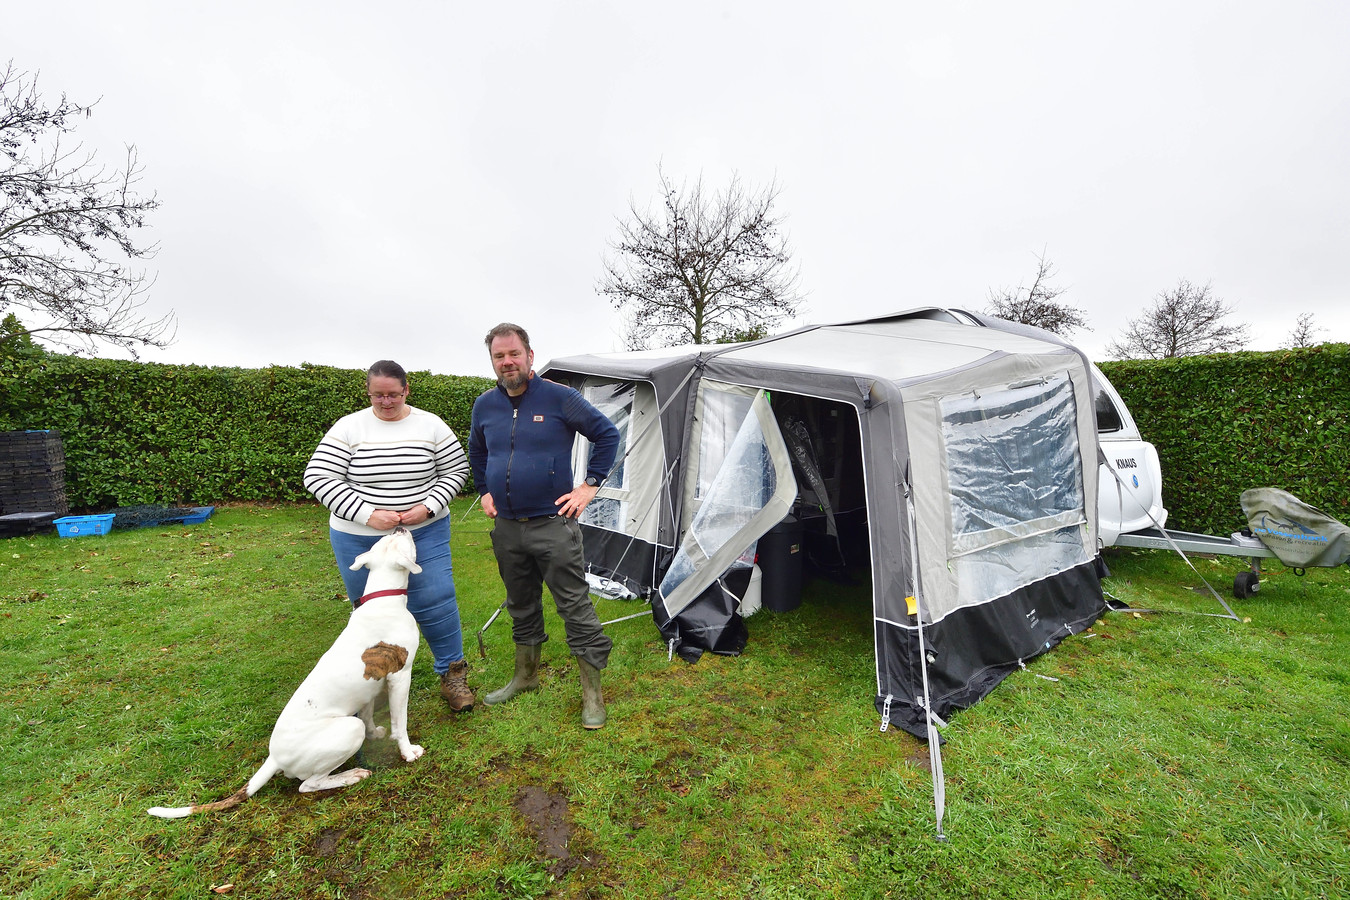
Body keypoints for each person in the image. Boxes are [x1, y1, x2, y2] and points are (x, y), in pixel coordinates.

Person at [469, 323, 620, 729]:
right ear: (493, 361)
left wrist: (589, 485)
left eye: (514, 354)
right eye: (499, 356)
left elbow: (608, 435)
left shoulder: (559, 397)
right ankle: (526, 676)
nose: (507, 362)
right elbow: (477, 451)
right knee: (520, 602)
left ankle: (592, 695)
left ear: (529, 356)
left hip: (553, 525)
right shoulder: (485, 405)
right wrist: (484, 490)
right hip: (507, 527)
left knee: (574, 606)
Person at [304, 359, 475, 712]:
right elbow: (317, 477)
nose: (386, 402)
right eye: (377, 395)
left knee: (437, 598)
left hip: (423, 531)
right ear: (368, 392)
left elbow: (457, 470)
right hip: (359, 535)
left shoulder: (431, 425)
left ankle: (452, 674)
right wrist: (367, 514)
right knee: (371, 610)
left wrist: (429, 506)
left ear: (406, 390)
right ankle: (376, 679)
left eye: (393, 394)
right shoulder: (348, 428)